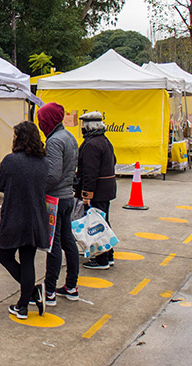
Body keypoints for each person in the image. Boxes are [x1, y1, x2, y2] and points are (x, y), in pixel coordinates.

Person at [0, 121, 49, 319]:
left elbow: (0, 186)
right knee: (28, 260)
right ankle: (24, 304)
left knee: (5, 256)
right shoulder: (44, 162)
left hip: (14, 216)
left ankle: (31, 295)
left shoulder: (10, 161)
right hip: (36, 217)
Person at [37, 103, 79, 305]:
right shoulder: (70, 137)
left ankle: (50, 291)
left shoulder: (54, 141)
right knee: (68, 241)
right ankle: (71, 285)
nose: (39, 124)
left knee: (53, 244)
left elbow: (53, 174)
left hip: (55, 199)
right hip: (68, 197)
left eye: (41, 120)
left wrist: (38, 189)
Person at [76, 112, 117, 270]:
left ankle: (102, 259)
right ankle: (109, 254)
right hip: (106, 188)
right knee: (103, 222)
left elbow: (90, 171)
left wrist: (86, 193)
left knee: (97, 224)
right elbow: (114, 160)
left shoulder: (92, 144)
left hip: (97, 190)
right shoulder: (104, 141)